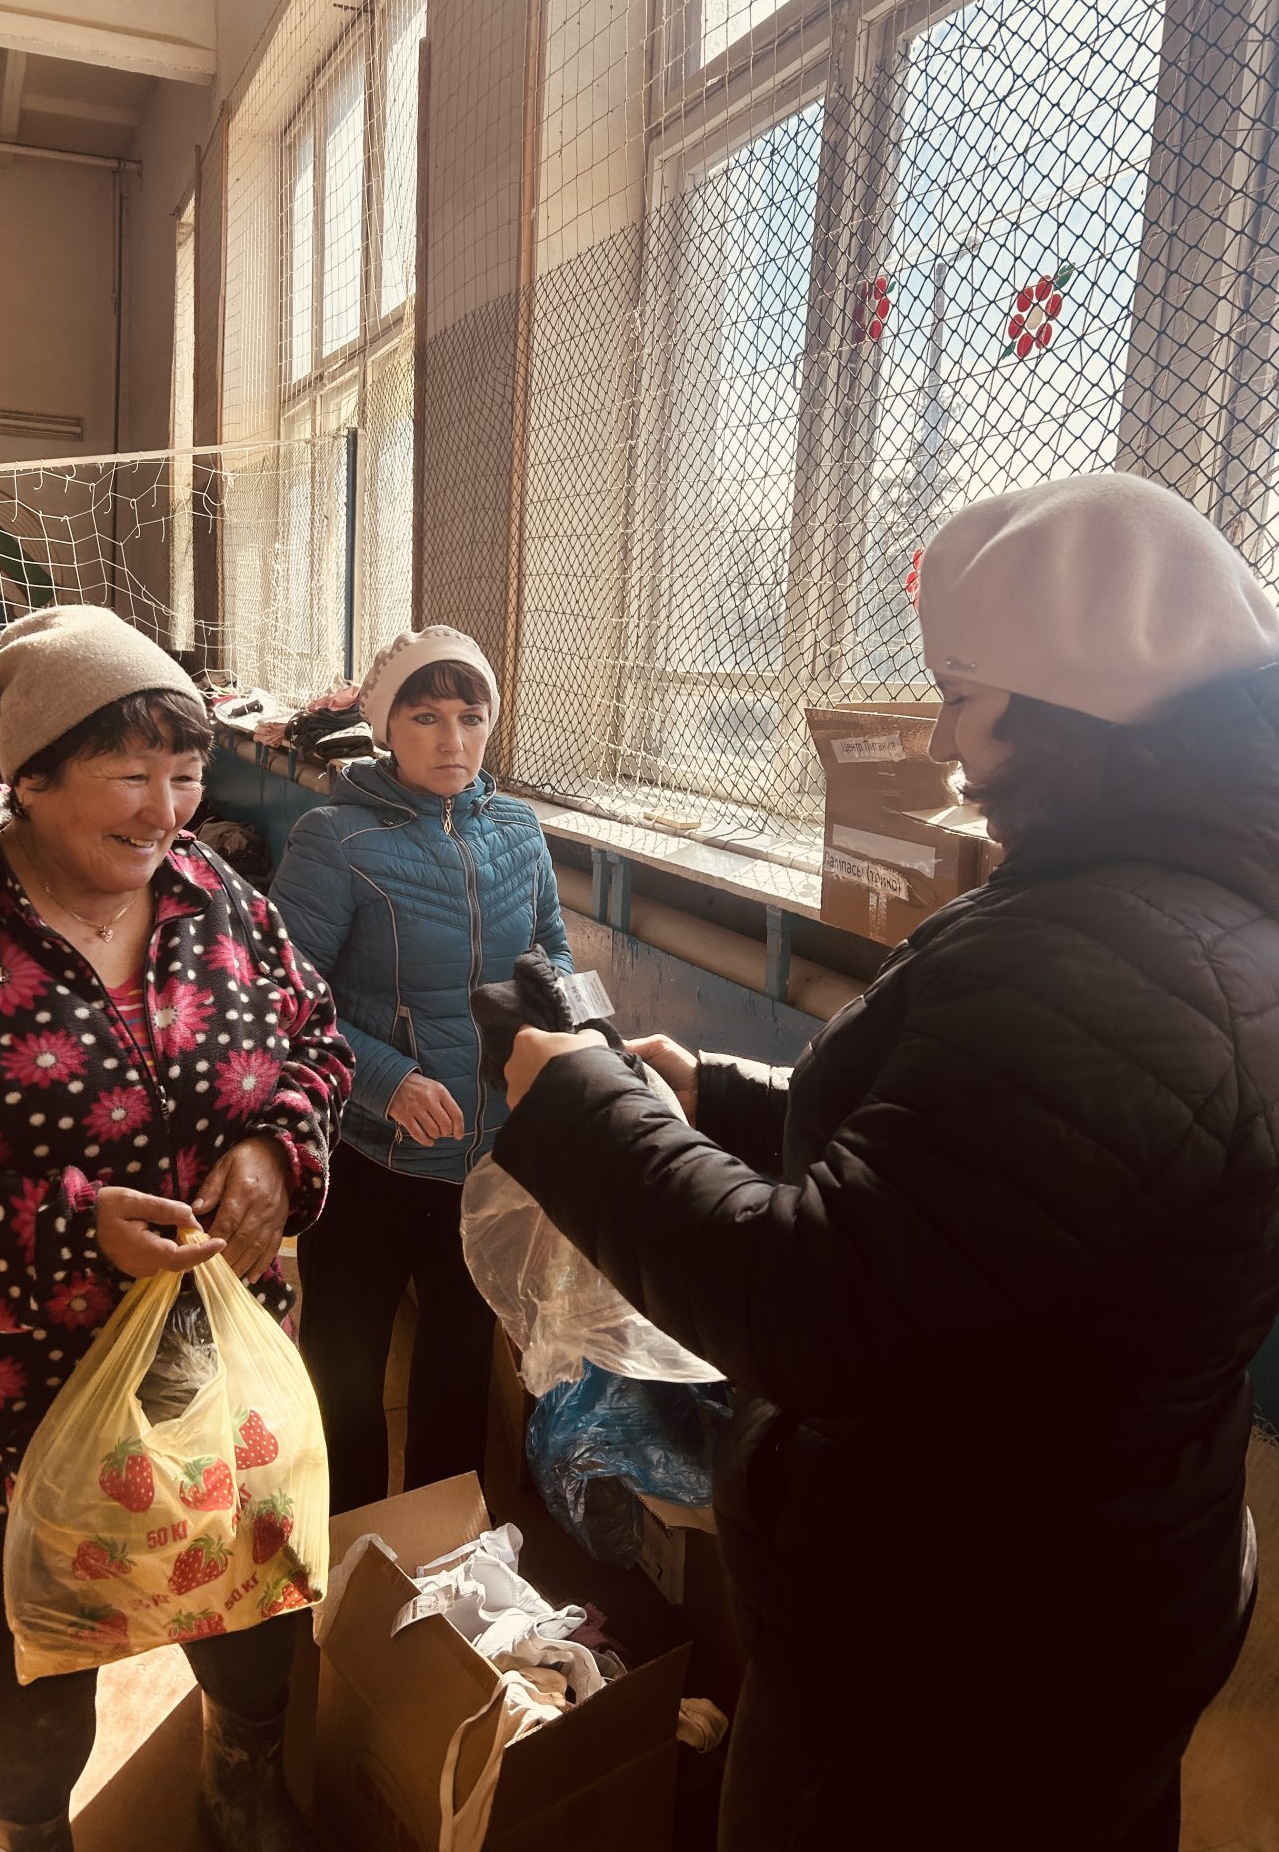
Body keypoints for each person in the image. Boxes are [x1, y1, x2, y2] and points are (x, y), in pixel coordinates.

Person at [498, 473, 1279, 1852]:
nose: (942, 738)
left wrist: (577, 1106)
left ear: (1076, 710)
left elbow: (825, 1306)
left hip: (952, 1666)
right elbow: (986, 1182)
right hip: (1082, 1600)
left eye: (965, 697)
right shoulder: (1186, 909)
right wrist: (719, 1096)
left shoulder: (1104, 956)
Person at [0, 605, 354, 1852]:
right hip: (9, 1396)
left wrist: (275, 1149)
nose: (165, 811)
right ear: (31, 778)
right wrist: (70, 1233)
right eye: (129, 774)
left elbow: (316, 1040)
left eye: (185, 774)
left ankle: (240, 1781)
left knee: (251, 1621)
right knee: (29, 1679)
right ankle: (22, 1831)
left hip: (214, 1372)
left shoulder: (216, 900)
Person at [271, 625, 570, 1512]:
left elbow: (548, 955)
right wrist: (387, 1079)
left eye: (471, 718)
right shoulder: (337, 838)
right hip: (368, 1159)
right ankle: (348, 1542)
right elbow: (286, 994)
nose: (452, 741)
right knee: (346, 1371)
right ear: (386, 727)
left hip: (484, 1161)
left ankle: (437, 1554)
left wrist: (582, 1042)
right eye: (427, 717)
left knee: (457, 1371)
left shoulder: (519, 830)